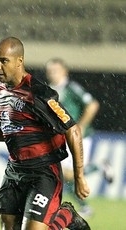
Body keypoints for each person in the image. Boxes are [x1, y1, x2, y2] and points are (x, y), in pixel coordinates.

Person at [0, 37, 90, 230]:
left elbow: (72, 129)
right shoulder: (2, 89)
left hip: (43, 172)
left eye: (3, 60)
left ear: (19, 61)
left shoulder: (38, 93)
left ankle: (66, 215)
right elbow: (13, 129)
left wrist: (79, 176)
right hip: (15, 171)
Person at [46, 58, 113, 217]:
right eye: (50, 70)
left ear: (65, 71)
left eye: (56, 70)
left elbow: (93, 104)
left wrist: (81, 127)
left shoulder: (72, 88)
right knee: (64, 176)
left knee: (66, 174)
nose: (52, 73)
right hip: (61, 137)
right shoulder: (49, 90)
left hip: (78, 136)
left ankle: (99, 167)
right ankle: (85, 207)